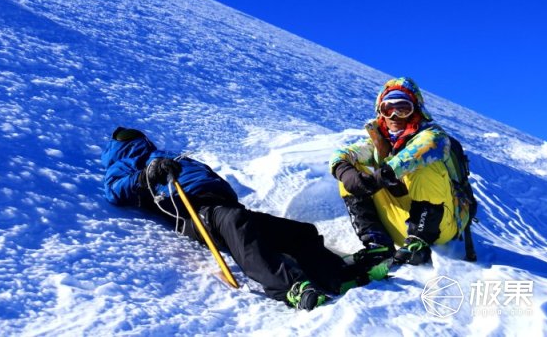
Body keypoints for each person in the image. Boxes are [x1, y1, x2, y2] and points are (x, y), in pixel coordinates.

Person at [101, 127, 387, 311]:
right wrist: (146, 174)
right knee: (238, 224)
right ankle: (291, 287)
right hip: (195, 211)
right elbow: (114, 190)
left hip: (225, 207)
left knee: (298, 232)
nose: (132, 138)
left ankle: (336, 275)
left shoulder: (164, 154)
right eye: (126, 137)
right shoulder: (127, 162)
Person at [330, 77, 457, 266]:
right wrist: (345, 173)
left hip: (439, 226)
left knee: (425, 164)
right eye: (388, 109)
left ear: (416, 111)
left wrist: (385, 174)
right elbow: (343, 154)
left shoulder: (434, 137)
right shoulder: (380, 144)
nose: (395, 115)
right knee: (350, 172)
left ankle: (419, 242)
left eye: (403, 108)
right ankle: (377, 242)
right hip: (400, 224)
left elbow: (422, 149)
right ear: (380, 112)